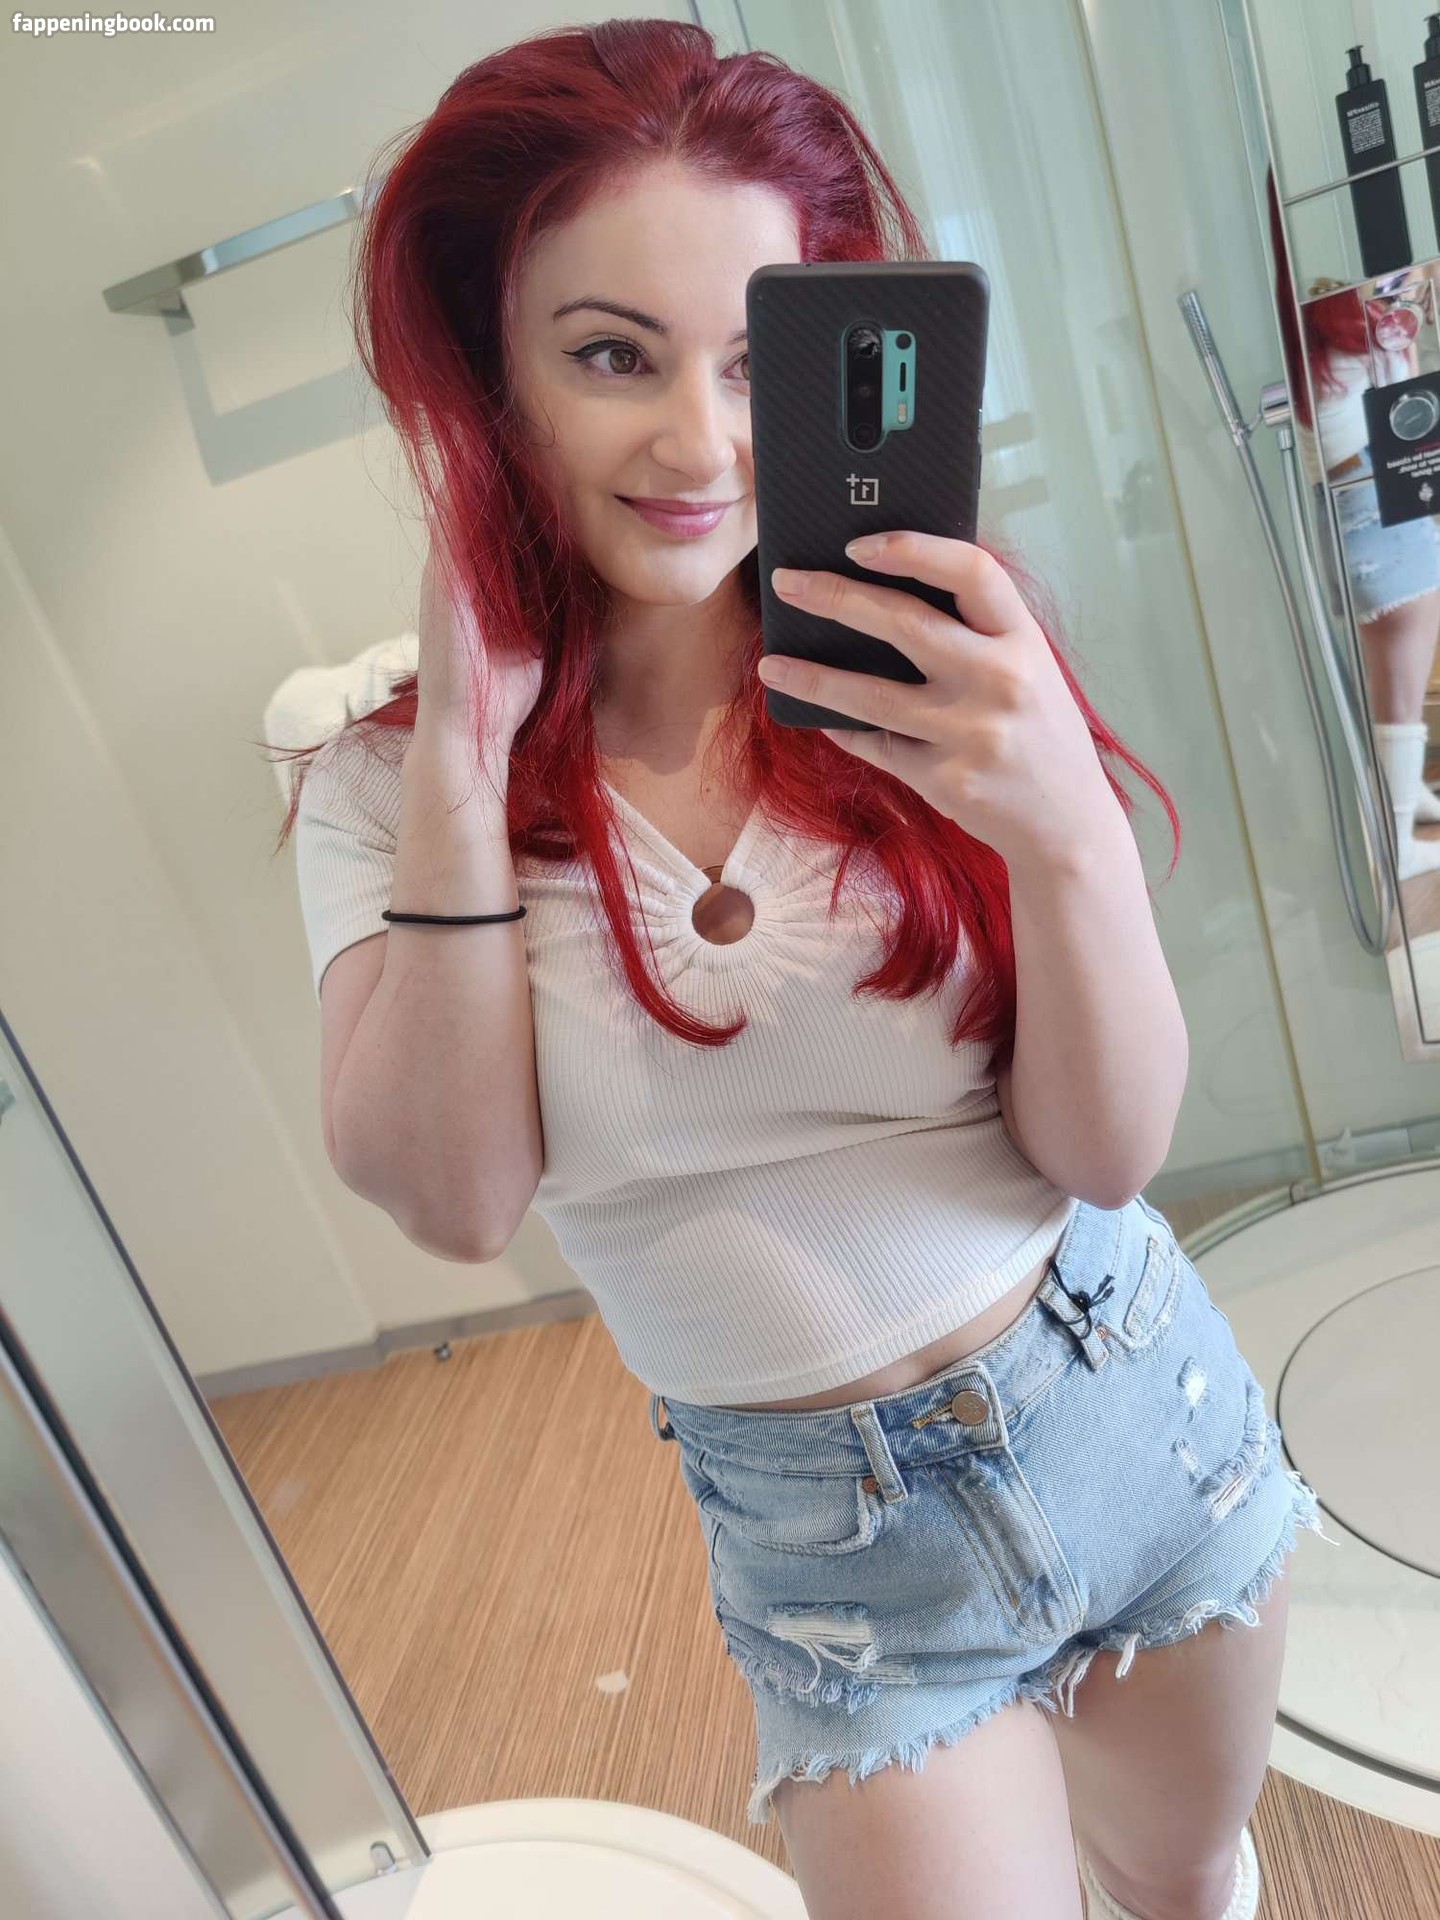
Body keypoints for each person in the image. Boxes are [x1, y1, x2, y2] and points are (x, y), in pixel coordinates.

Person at [277, 23, 1326, 1919]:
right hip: (841, 1562)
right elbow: (455, 1197)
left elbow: (1105, 1151)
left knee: (1183, 1887)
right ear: (494, 379)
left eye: (761, 364)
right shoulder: (378, 784)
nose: (700, 445)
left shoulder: (938, 674)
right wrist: (460, 770)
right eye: (613, 355)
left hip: (1127, 1400)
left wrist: (1069, 831)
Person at [1268, 177, 1440, 883]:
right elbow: (1410, 325)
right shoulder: (1361, 345)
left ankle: (1406, 796)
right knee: (1400, 688)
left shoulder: (1316, 361)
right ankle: (1397, 843)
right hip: (1381, 514)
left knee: (1391, 683)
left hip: (1350, 518)